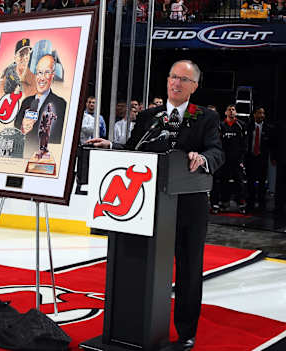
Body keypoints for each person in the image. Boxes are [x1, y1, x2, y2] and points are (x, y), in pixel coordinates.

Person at [88, 60, 224, 351]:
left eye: (183, 80)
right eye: (173, 77)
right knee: (141, 260)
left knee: (188, 268)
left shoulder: (206, 118)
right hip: (148, 205)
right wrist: (112, 147)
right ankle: (137, 321)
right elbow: (135, 151)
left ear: (194, 86)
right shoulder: (150, 115)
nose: (176, 83)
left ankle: (186, 331)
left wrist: (203, 159)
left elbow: (216, 151)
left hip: (188, 205)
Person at [13, 54, 66, 157]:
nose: (41, 78)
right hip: (22, 156)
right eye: (39, 73)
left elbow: (58, 137)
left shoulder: (61, 104)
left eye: (47, 73)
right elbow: (16, 128)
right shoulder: (27, 102)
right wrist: (23, 129)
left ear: (53, 75)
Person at [210, 104, 247, 214]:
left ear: (235, 112)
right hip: (223, 160)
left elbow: (244, 144)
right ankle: (224, 202)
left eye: (233, 110)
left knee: (239, 182)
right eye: (229, 109)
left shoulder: (241, 125)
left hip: (236, 160)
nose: (231, 111)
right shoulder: (221, 125)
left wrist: (241, 160)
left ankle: (241, 204)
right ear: (225, 112)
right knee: (223, 182)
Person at [246, 106, 273, 212]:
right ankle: (250, 204)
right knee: (250, 182)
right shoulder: (248, 126)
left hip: (262, 159)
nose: (262, 115)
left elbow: (272, 145)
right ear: (254, 114)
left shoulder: (268, 128)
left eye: (263, 113)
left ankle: (262, 204)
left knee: (262, 183)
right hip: (250, 158)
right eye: (259, 113)